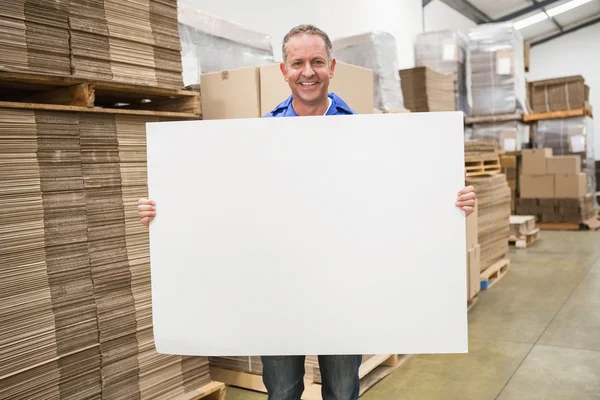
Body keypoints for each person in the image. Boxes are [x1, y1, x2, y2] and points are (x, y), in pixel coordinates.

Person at [138, 24, 476, 400]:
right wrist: (166, 210)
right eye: (297, 63)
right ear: (283, 71)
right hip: (279, 284)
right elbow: (229, 199)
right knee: (281, 392)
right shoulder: (261, 134)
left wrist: (451, 199)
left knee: (342, 390)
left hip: (343, 286)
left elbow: (397, 194)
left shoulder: (362, 133)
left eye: (317, 61)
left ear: (332, 67)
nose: (308, 72)